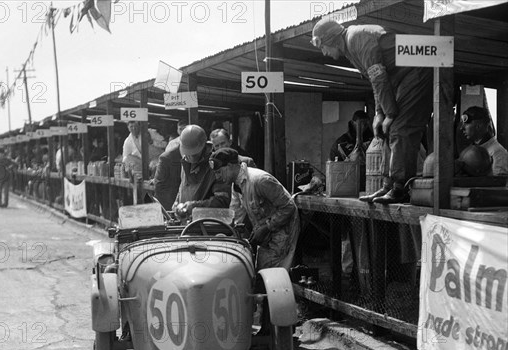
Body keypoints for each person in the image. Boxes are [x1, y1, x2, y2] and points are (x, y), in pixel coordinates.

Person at [312, 18, 433, 204]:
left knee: (400, 129)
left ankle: (400, 187)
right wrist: (379, 114)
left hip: (419, 69)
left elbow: (380, 79)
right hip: (399, 76)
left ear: (331, 38)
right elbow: (375, 80)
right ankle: (387, 185)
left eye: (322, 46)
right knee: (383, 131)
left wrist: (390, 114)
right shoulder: (350, 48)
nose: (323, 52)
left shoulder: (356, 38)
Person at [210, 147, 299, 270]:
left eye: (219, 172)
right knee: (259, 270)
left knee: (273, 275)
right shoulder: (236, 185)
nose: (217, 177)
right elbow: (236, 214)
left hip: (283, 232)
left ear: (230, 165)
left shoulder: (260, 180)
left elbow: (289, 206)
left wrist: (267, 227)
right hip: (266, 235)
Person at [172, 125, 231, 219]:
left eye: (194, 154)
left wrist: (195, 206)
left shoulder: (217, 165)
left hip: (208, 223)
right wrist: (177, 203)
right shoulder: (185, 162)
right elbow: (183, 187)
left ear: (203, 146)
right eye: (188, 154)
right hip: (186, 220)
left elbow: (222, 201)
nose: (190, 157)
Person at [460, 106, 508, 176]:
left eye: (467, 124)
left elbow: (497, 183)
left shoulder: (498, 153)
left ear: (479, 126)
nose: (462, 128)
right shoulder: (470, 150)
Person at [153, 119, 187, 209]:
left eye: (185, 129)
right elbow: (159, 184)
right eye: (180, 129)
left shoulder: (195, 143)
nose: (182, 131)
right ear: (177, 130)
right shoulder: (172, 144)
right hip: (173, 185)